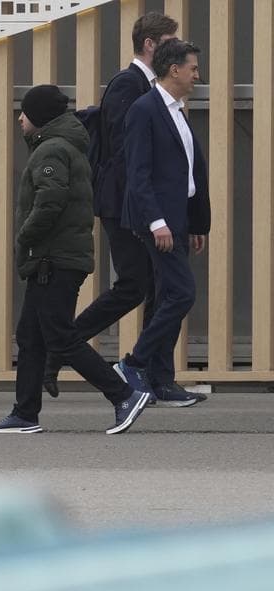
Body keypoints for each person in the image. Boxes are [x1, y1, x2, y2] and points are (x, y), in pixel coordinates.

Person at [0, 85, 151, 435]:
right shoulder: (62, 146)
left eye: (25, 113)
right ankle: (25, 413)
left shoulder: (52, 150)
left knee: (59, 337)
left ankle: (123, 394)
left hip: (53, 260)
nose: (19, 118)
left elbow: (50, 201)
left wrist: (25, 236)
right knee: (30, 335)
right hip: (58, 258)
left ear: (40, 117)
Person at [44, 11, 178, 399]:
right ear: (150, 44)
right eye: (170, 40)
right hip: (123, 204)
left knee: (154, 286)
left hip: (136, 204)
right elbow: (128, 152)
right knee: (135, 285)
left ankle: (155, 378)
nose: (176, 48)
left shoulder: (148, 85)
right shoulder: (128, 84)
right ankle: (62, 347)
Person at [116, 39, 210, 407]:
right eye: (193, 68)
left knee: (164, 299)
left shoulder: (177, 111)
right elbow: (137, 174)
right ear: (174, 70)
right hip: (159, 224)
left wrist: (197, 222)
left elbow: (189, 171)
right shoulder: (144, 109)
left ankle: (161, 382)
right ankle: (134, 363)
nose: (197, 75)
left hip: (179, 220)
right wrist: (157, 222)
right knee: (182, 293)